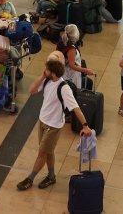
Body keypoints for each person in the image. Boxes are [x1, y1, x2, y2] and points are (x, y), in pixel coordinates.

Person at [16, 59, 92, 191]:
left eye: (47, 70)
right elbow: (32, 90)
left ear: (53, 74)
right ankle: (51, 176)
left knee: (42, 153)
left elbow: (76, 108)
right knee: (48, 152)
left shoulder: (64, 88)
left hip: (54, 126)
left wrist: (85, 125)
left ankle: (30, 178)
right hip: (43, 121)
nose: (44, 71)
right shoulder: (46, 80)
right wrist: (41, 77)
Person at [57, 24, 95, 88]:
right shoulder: (71, 48)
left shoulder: (62, 41)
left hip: (63, 71)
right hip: (71, 75)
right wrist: (85, 70)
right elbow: (72, 65)